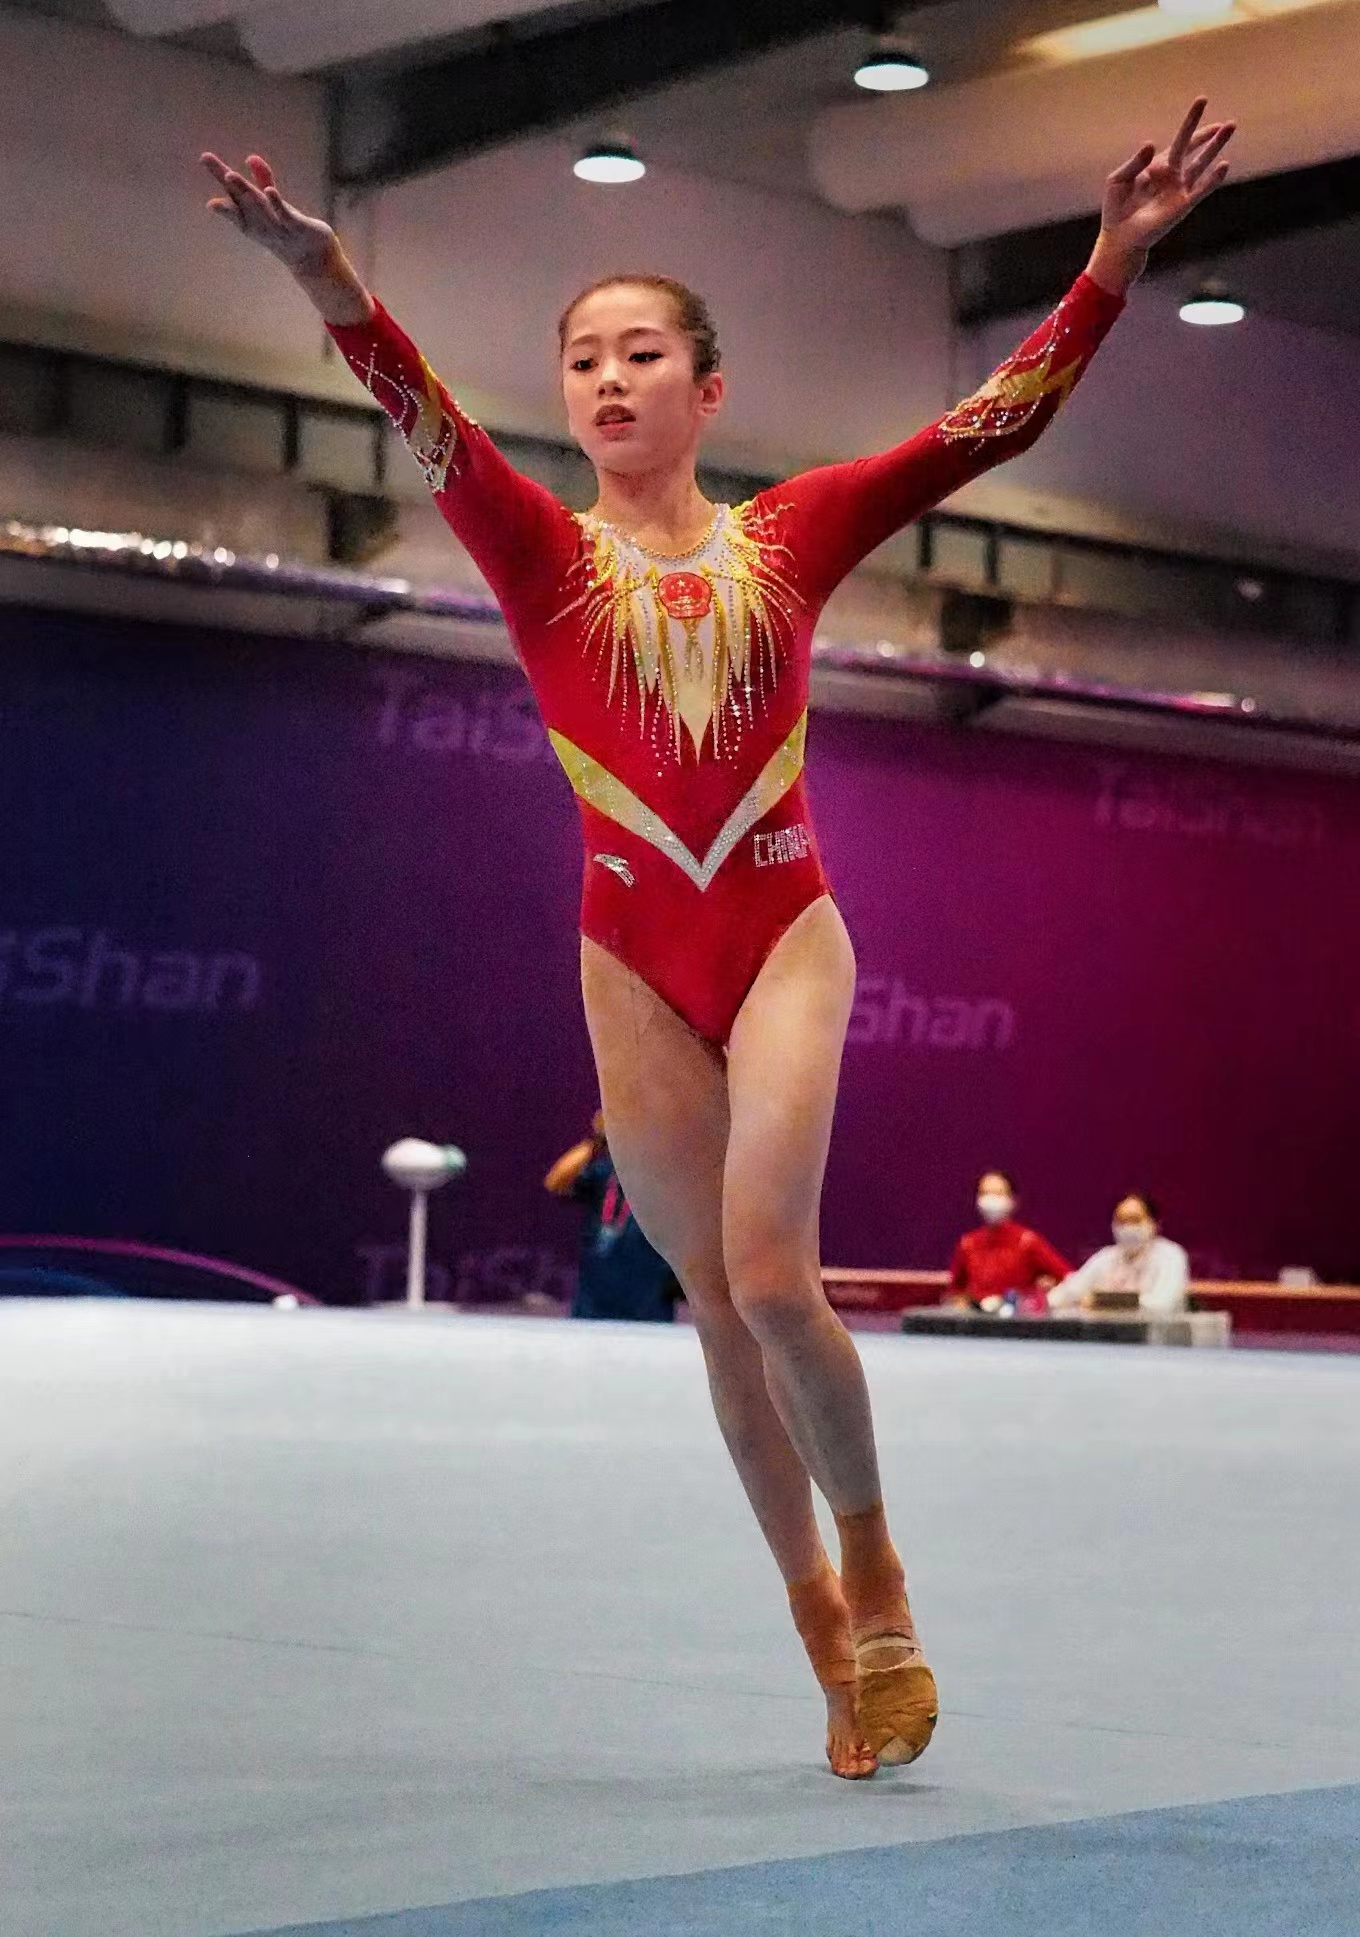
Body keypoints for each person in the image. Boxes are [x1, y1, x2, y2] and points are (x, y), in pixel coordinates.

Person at [201, 99, 1234, 1780]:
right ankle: (817, 1622)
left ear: (708, 389)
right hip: (629, 960)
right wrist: (328, 280)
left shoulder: (793, 536)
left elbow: (985, 427)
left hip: (783, 931)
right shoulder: (537, 555)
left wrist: (1112, 260)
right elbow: (421, 415)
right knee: (711, 1311)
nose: (608, 382)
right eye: (582, 361)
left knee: (771, 1275)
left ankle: (877, 1568)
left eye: (642, 354)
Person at [546, 1110, 681, 1322]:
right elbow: (556, 1182)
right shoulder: (604, 1174)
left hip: (647, 1303)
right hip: (594, 1300)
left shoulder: (668, 1181)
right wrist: (596, 1141)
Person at [948, 1169, 1071, 1311]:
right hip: (978, 1318)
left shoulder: (1027, 1242)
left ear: (1012, 1200)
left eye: (998, 1193)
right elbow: (955, 1291)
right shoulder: (967, 1244)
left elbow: (1068, 1277)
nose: (990, 1199)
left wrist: (1044, 1294)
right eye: (984, 1193)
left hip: (1016, 1318)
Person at [1050, 1193, 1190, 1315]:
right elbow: (1064, 1294)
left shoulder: (1170, 1256)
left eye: (1135, 1220)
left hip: (1157, 1336)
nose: (1127, 1228)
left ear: (1154, 1224)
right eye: (1121, 1221)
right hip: (1110, 1335)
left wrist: (1103, 1302)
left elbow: (1162, 1305)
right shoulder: (1105, 1257)